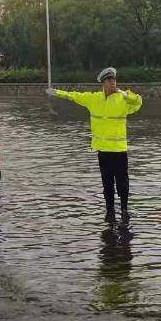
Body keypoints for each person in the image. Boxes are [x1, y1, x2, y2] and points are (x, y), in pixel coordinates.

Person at [47, 67, 143, 223]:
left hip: (119, 151)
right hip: (102, 150)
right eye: (109, 81)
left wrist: (125, 93)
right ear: (103, 83)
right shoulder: (94, 99)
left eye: (114, 80)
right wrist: (57, 93)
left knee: (122, 183)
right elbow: (75, 96)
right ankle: (110, 211)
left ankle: (125, 210)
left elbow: (138, 102)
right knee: (107, 184)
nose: (113, 83)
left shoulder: (123, 100)